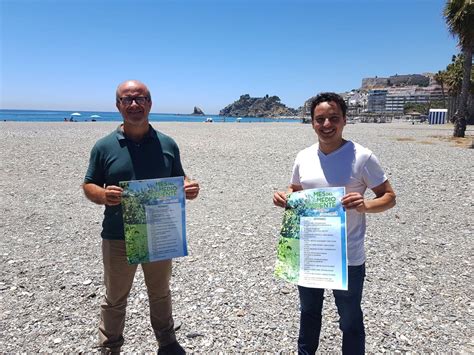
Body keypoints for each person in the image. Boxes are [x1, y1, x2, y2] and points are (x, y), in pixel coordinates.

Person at [273, 92, 396, 354]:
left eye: (333, 118)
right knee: (308, 314)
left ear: (344, 120)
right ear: (312, 123)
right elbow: (296, 190)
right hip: (310, 252)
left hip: (348, 257)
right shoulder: (303, 156)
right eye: (320, 119)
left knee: (350, 320)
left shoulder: (362, 156)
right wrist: (285, 197)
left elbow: (389, 197)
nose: (327, 125)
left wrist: (365, 205)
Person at [83, 80, 200, 354]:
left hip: (160, 231)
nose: (134, 104)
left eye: (140, 98)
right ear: (118, 105)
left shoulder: (167, 143)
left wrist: (188, 186)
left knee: (160, 292)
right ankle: (110, 346)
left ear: (150, 103)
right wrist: (102, 195)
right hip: (118, 234)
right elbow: (88, 184)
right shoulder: (104, 147)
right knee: (115, 298)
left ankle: (167, 341)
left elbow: (179, 178)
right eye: (127, 99)